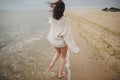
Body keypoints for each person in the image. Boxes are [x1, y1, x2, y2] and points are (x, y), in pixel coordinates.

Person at [47, 0, 79, 78]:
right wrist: (75, 49)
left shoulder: (52, 17)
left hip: (53, 40)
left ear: (56, 8)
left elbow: (53, 25)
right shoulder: (66, 20)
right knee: (63, 57)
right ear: (63, 9)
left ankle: (52, 63)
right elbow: (67, 35)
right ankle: (60, 74)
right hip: (60, 41)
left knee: (58, 53)